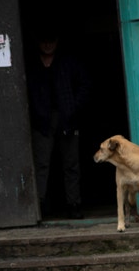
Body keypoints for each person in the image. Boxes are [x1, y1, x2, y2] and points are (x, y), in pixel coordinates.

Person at [26, 26, 92, 220]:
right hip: (42, 121)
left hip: (67, 119)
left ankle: (74, 204)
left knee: (71, 164)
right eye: (44, 41)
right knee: (41, 164)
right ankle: (39, 206)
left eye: (51, 40)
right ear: (38, 42)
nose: (47, 45)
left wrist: (73, 106)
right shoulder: (31, 64)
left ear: (57, 41)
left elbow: (86, 85)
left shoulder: (68, 61)